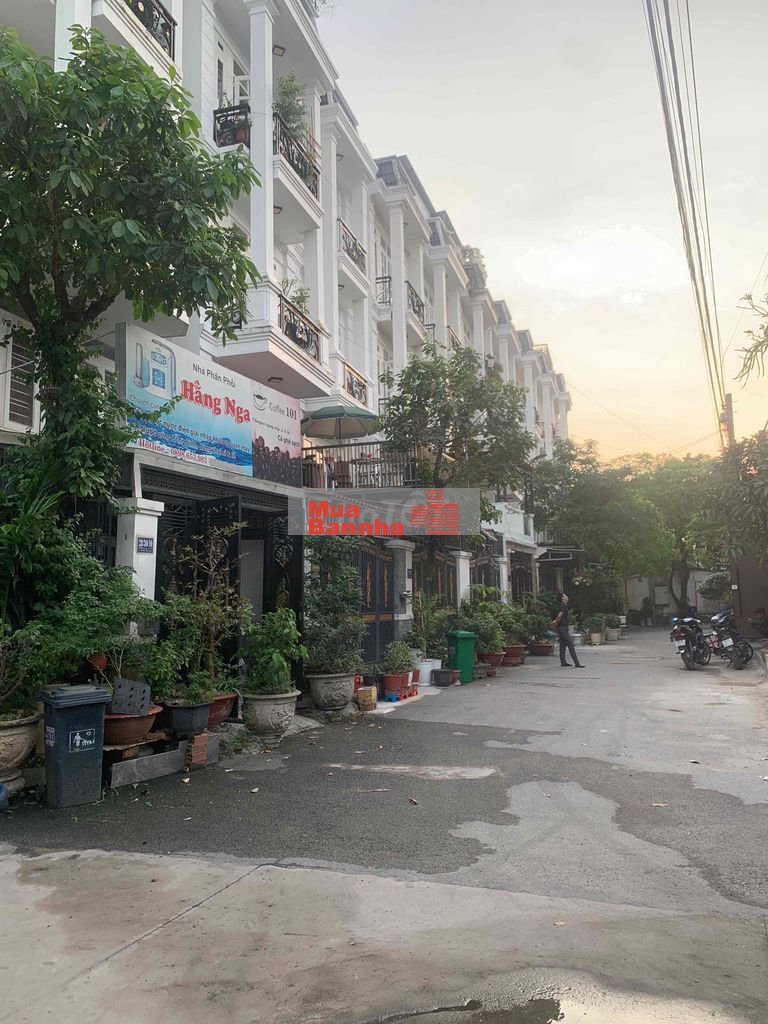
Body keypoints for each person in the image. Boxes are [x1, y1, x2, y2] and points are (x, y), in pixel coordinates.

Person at [552, 592, 585, 668]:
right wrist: (556, 622)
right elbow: (559, 615)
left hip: (562, 627)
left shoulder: (564, 605)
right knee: (570, 644)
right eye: (565, 595)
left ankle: (563, 662)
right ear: (562, 598)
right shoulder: (563, 605)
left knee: (563, 644)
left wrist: (556, 622)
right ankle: (577, 663)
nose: (567, 596)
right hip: (562, 628)